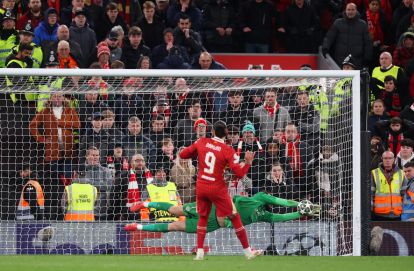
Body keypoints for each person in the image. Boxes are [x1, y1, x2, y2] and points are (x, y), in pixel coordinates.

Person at [178, 120, 259, 260]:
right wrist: (248, 163)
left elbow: (183, 155)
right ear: (226, 134)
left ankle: (200, 253)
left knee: (203, 217)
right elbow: (239, 174)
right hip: (217, 188)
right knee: (234, 216)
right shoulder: (228, 150)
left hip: (202, 187)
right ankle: (247, 252)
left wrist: (196, 150)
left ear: (213, 131)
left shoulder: (201, 142)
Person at [124, 192, 319, 233]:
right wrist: (299, 204)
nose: (270, 207)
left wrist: (300, 213)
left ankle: (138, 226)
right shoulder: (259, 197)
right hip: (211, 208)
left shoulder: (265, 215)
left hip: (213, 224)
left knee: (175, 225)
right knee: (176, 209)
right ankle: (145, 204)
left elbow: (282, 215)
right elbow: (281, 202)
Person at [322, 3, 372, 68]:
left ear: (356, 11)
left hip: (357, 61)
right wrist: (325, 48)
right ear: (345, 11)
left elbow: (368, 43)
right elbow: (329, 37)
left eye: (352, 10)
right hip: (340, 60)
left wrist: (367, 58)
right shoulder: (338, 23)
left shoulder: (363, 24)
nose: (350, 12)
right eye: (348, 10)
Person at [371, 150, 405, 221]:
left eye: (390, 158)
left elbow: (404, 194)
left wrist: (403, 210)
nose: (387, 160)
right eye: (385, 158)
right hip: (378, 214)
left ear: (394, 159)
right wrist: (371, 209)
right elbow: (370, 193)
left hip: (397, 214)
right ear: (382, 159)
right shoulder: (374, 173)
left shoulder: (401, 173)